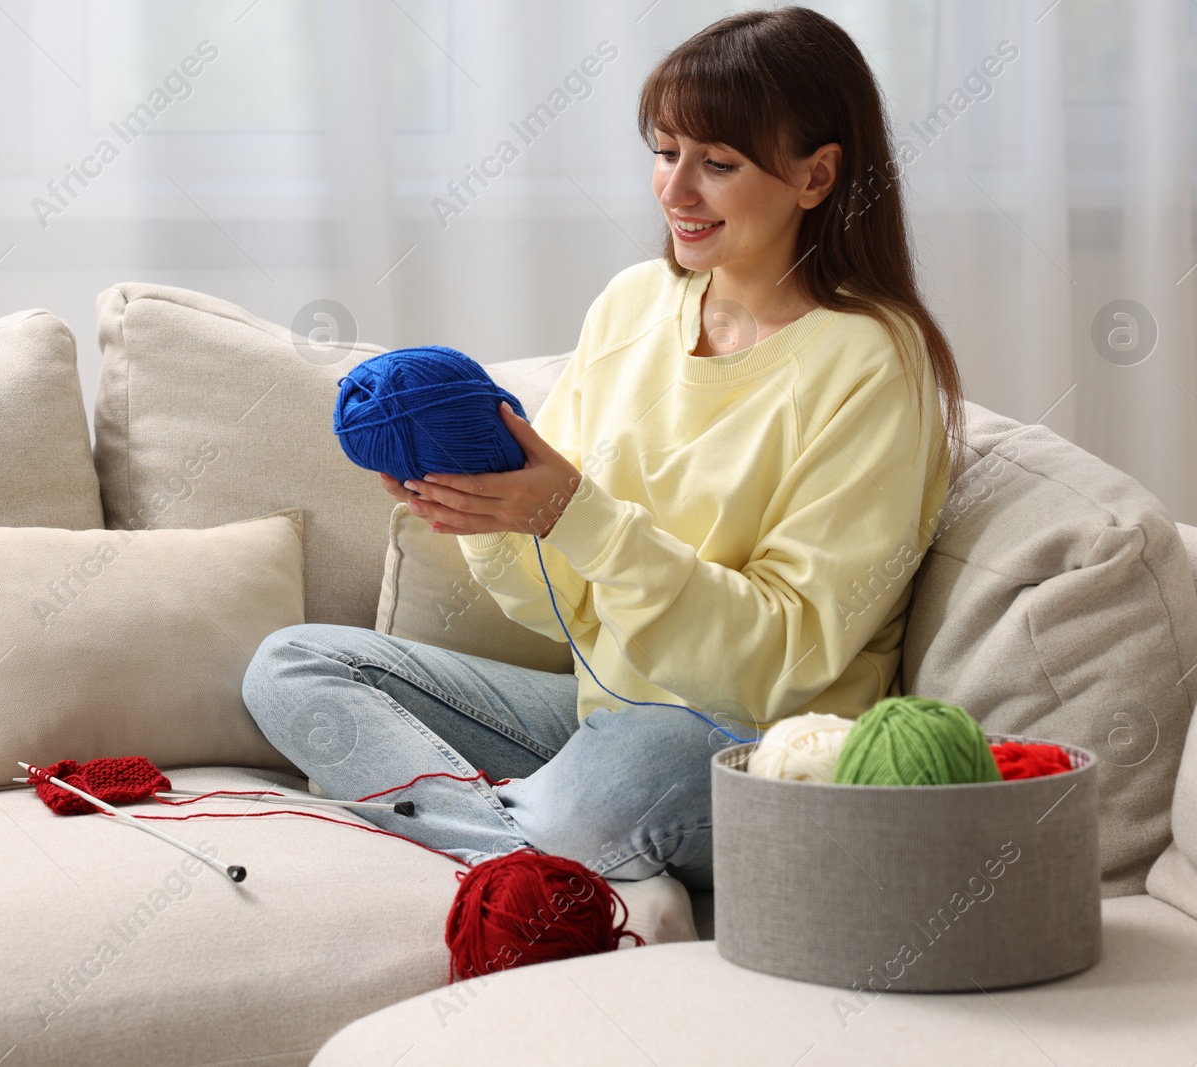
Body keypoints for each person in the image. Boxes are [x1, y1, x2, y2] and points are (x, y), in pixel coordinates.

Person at [243, 6, 965, 890]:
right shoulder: (633, 304)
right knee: (295, 664)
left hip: (744, 745)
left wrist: (573, 514)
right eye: (666, 152)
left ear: (817, 176)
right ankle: (537, 850)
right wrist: (497, 511)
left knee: (638, 764)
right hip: (601, 715)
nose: (675, 191)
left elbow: (785, 662)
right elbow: (568, 614)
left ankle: (505, 834)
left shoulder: (872, 361)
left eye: (719, 163)